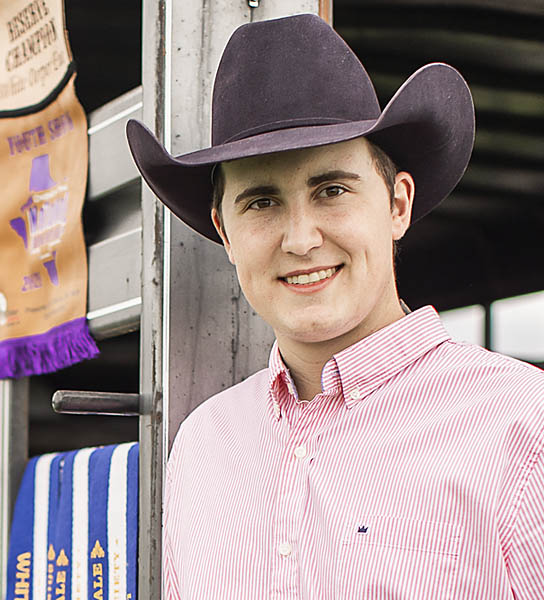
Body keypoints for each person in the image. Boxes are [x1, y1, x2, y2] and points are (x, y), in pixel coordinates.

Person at [127, 14, 544, 599]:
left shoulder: (523, 425)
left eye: (332, 190)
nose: (301, 239)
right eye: (262, 202)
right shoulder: (204, 445)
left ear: (397, 205)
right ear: (225, 232)